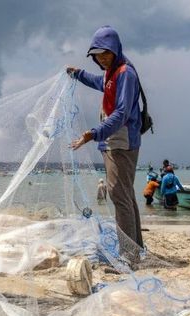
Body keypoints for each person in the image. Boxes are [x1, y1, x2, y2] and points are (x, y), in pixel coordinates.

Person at [67, 26, 143, 262]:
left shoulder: (125, 73)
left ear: (115, 49)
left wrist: (92, 133)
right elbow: (101, 83)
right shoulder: (112, 72)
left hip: (121, 142)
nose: (102, 58)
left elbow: (120, 113)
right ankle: (135, 247)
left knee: (119, 196)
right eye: (97, 55)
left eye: (106, 53)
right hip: (112, 140)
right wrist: (78, 74)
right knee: (125, 195)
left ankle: (128, 255)